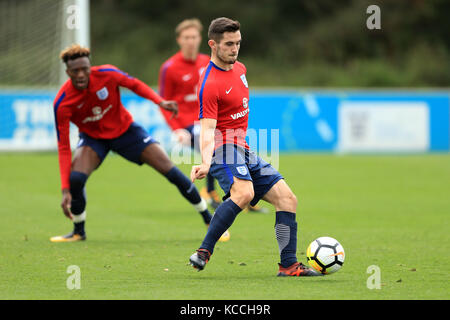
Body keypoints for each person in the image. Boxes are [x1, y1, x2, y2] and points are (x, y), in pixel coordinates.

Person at [188, 18, 321, 276]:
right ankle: (204, 251)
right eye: (228, 44)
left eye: (238, 43)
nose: (234, 48)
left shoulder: (240, 69)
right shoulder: (209, 83)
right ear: (212, 45)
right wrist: (205, 162)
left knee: (287, 199)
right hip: (222, 148)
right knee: (244, 193)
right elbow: (207, 129)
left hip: (242, 148)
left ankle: (288, 264)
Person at [50, 44, 213, 242]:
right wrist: (65, 189)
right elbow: (64, 147)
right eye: (75, 71)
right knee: (75, 180)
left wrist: (159, 101)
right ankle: (78, 231)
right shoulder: (62, 103)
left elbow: (135, 84)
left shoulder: (107, 74)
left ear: (89, 66)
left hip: (127, 132)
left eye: (85, 68)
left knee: (170, 170)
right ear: (68, 72)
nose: (81, 74)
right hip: (93, 139)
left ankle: (209, 220)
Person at [159, 18, 268, 214]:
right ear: (179, 40)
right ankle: (220, 192)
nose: (191, 41)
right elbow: (164, 102)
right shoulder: (170, 67)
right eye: (187, 37)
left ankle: (240, 193)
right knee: (214, 144)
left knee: (233, 147)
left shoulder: (207, 62)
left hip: (211, 119)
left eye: (194, 37)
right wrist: (177, 129)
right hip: (188, 123)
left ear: (200, 38)